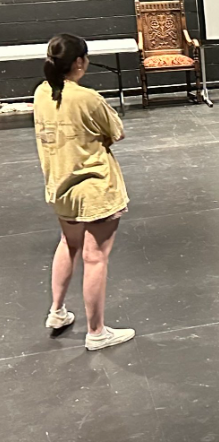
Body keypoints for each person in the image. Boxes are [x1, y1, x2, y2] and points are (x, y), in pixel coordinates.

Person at [34, 34, 135, 351]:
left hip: (61, 187)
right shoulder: (87, 97)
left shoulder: (41, 92)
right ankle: (97, 332)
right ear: (79, 62)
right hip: (94, 189)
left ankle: (57, 312)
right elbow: (116, 132)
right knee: (96, 258)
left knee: (69, 243)